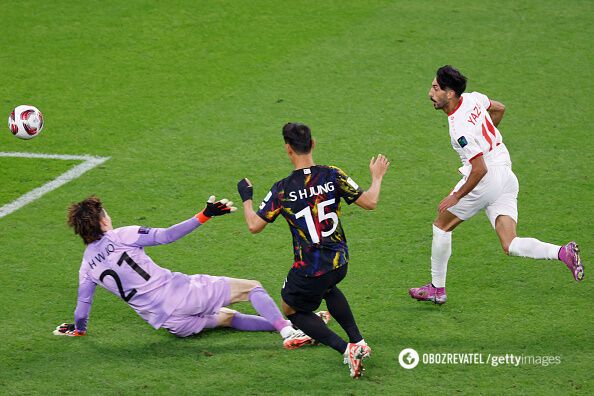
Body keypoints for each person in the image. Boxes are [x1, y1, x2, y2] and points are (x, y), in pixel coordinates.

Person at [409, 65, 584, 305]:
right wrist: (484, 138)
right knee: (510, 244)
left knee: (441, 226)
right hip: (506, 174)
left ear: (450, 93)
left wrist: (457, 196)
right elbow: (500, 108)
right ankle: (562, 252)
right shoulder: (474, 98)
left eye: (435, 88)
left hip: (486, 177)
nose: (430, 93)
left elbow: (479, 169)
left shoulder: (459, 129)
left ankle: (437, 289)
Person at [54, 195, 315, 349]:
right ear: (102, 221)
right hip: (182, 294)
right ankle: (287, 332)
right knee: (251, 287)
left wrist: (79, 330)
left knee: (227, 318)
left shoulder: (87, 266)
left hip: (172, 323)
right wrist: (205, 215)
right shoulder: (121, 235)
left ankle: (299, 327)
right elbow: (167, 236)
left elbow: (82, 307)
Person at [237, 123, 390, 378]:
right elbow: (370, 202)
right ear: (314, 144)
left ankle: (346, 349)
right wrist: (377, 176)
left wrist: (246, 197)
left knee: (291, 309)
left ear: (288, 149)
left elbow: (254, 225)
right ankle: (359, 342)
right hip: (340, 262)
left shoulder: (282, 189)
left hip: (310, 269)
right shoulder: (332, 174)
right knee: (328, 287)